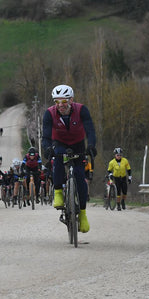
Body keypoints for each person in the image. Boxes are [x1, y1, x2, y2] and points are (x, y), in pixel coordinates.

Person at [42, 84, 97, 233]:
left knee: (80, 177)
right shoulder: (49, 113)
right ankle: (58, 192)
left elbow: (90, 130)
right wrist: (47, 149)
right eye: (57, 102)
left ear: (71, 100)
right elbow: (46, 136)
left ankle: (83, 215)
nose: (60, 105)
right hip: (59, 142)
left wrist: (91, 145)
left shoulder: (81, 110)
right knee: (58, 160)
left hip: (78, 143)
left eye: (64, 102)